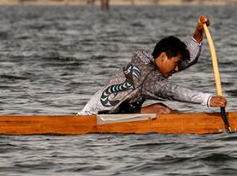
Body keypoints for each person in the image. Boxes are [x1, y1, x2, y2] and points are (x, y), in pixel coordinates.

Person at [79, 15, 228, 115]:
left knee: (161, 109)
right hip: (97, 117)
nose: (177, 69)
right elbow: (174, 91)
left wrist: (198, 34)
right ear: (163, 56)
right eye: (175, 64)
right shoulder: (149, 78)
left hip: (119, 111)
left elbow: (187, 60)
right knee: (163, 110)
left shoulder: (145, 59)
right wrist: (207, 99)